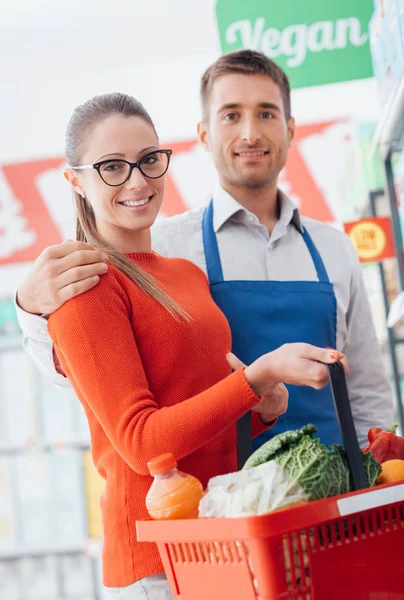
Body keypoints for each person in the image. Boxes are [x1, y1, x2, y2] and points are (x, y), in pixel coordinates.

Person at [33, 91, 347, 600]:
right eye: (111, 166)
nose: (137, 181)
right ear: (75, 181)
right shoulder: (87, 284)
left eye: (148, 160)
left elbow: (203, 421)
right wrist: (254, 378)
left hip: (219, 540)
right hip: (157, 564)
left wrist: (262, 407)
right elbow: (143, 444)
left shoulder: (184, 275)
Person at [16, 50, 393, 452]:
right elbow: (85, 376)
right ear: (203, 135)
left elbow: (366, 386)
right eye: (230, 115)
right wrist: (31, 310)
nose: (250, 133)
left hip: (335, 487)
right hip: (225, 496)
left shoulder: (334, 248)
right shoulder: (161, 250)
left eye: (266, 113)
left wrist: (375, 473)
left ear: (290, 129)